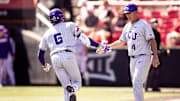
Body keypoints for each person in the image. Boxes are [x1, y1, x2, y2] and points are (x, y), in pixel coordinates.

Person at [38, 8, 106, 101]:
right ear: (61, 17)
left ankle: (71, 91)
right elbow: (85, 40)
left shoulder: (46, 33)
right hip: (67, 55)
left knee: (66, 87)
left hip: (54, 58)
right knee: (77, 82)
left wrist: (44, 65)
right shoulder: (69, 25)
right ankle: (73, 88)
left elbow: (40, 54)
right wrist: (99, 45)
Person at [96, 4, 160, 101]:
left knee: (137, 81)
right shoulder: (127, 26)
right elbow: (121, 42)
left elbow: (152, 40)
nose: (128, 15)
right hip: (132, 58)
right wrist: (107, 47)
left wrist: (155, 56)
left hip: (143, 56)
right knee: (135, 83)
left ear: (135, 12)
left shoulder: (144, 25)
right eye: (126, 13)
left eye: (130, 13)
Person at [145, 18, 170, 92]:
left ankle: (154, 86)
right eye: (153, 23)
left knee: (156, 71)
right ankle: (148, 86)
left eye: (156, 23)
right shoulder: (149, 33)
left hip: (156, 53)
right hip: (151, 53)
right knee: (151, 71)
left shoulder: (157, 33)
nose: (155, 25)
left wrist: (165, 48)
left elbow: (160, 42)